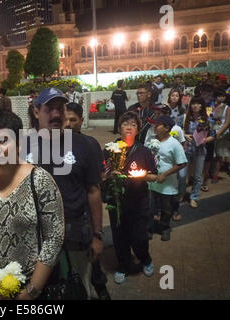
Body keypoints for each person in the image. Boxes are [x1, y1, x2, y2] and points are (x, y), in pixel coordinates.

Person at [0, 110, 65, 300]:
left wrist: (32, 290)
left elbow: (54, 237)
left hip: (35, 289)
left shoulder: (40, 181)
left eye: (4, 140)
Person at [27, 88, 104, 300]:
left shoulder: (85, 145)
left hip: (75, 234)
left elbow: (94, 191)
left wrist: (97, 235)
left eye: (59, 108)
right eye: (48, 109)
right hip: (36, 238)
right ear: (36, 112)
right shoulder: (23, 146)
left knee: (78, 289)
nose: (56, 114)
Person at [104, 111, 158, 284]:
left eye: (133, 124)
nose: (129, 126)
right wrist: (109, 175)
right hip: (116, 201)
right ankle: (123, 265)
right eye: (125, 124)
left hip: (138, 200)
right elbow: (101, 172)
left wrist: (142, 176)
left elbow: (154, 176)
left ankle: (145, 259)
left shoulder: (143, 151)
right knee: (119, 236)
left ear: (138, 130)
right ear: (119, 128)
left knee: (140, 236)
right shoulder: (109, 149)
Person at [64, 102, 110, 299]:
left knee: (92, 253)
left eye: (73, 120)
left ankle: (99, 285)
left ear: (81, 121)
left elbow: (95, 186)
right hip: (67, 217)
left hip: (86, 212)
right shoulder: (52, 145)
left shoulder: (90, 144)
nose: (68, 124)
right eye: (65, 120)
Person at [148, 115, 187, 241]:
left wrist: (165, 174)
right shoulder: (152, 140)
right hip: (152, 182)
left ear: (166, 128)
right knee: (150, 207)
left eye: (158, 124)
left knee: (166, 209)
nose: (155, 126)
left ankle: (165, 228)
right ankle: (149, 228)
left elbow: (182, 163)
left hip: (167, 184)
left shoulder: (174, 144)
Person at [182, 96, 216, 208]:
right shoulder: (185, 117)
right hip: (186, 150)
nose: (195, 106)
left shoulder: (207, 119)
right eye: (193, 103)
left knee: (197, 176)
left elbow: (213, 135)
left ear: (202, 106)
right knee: (182, 175)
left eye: (198, 104)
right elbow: (176, 131)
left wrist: (206, 140)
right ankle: (181, 194)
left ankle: (194, 197)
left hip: (200, 151)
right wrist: (184, 135)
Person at [210, 90, 230, 183]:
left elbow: (227, 123)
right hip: (211, 132)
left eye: (223, 96)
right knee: (211, 154)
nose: (221, 98)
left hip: (222, 133)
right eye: (219, 96)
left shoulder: (228, 108)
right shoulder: (211, 107)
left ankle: (216, 174)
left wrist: (219, 133)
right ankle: (209, 172)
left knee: (219, 154)